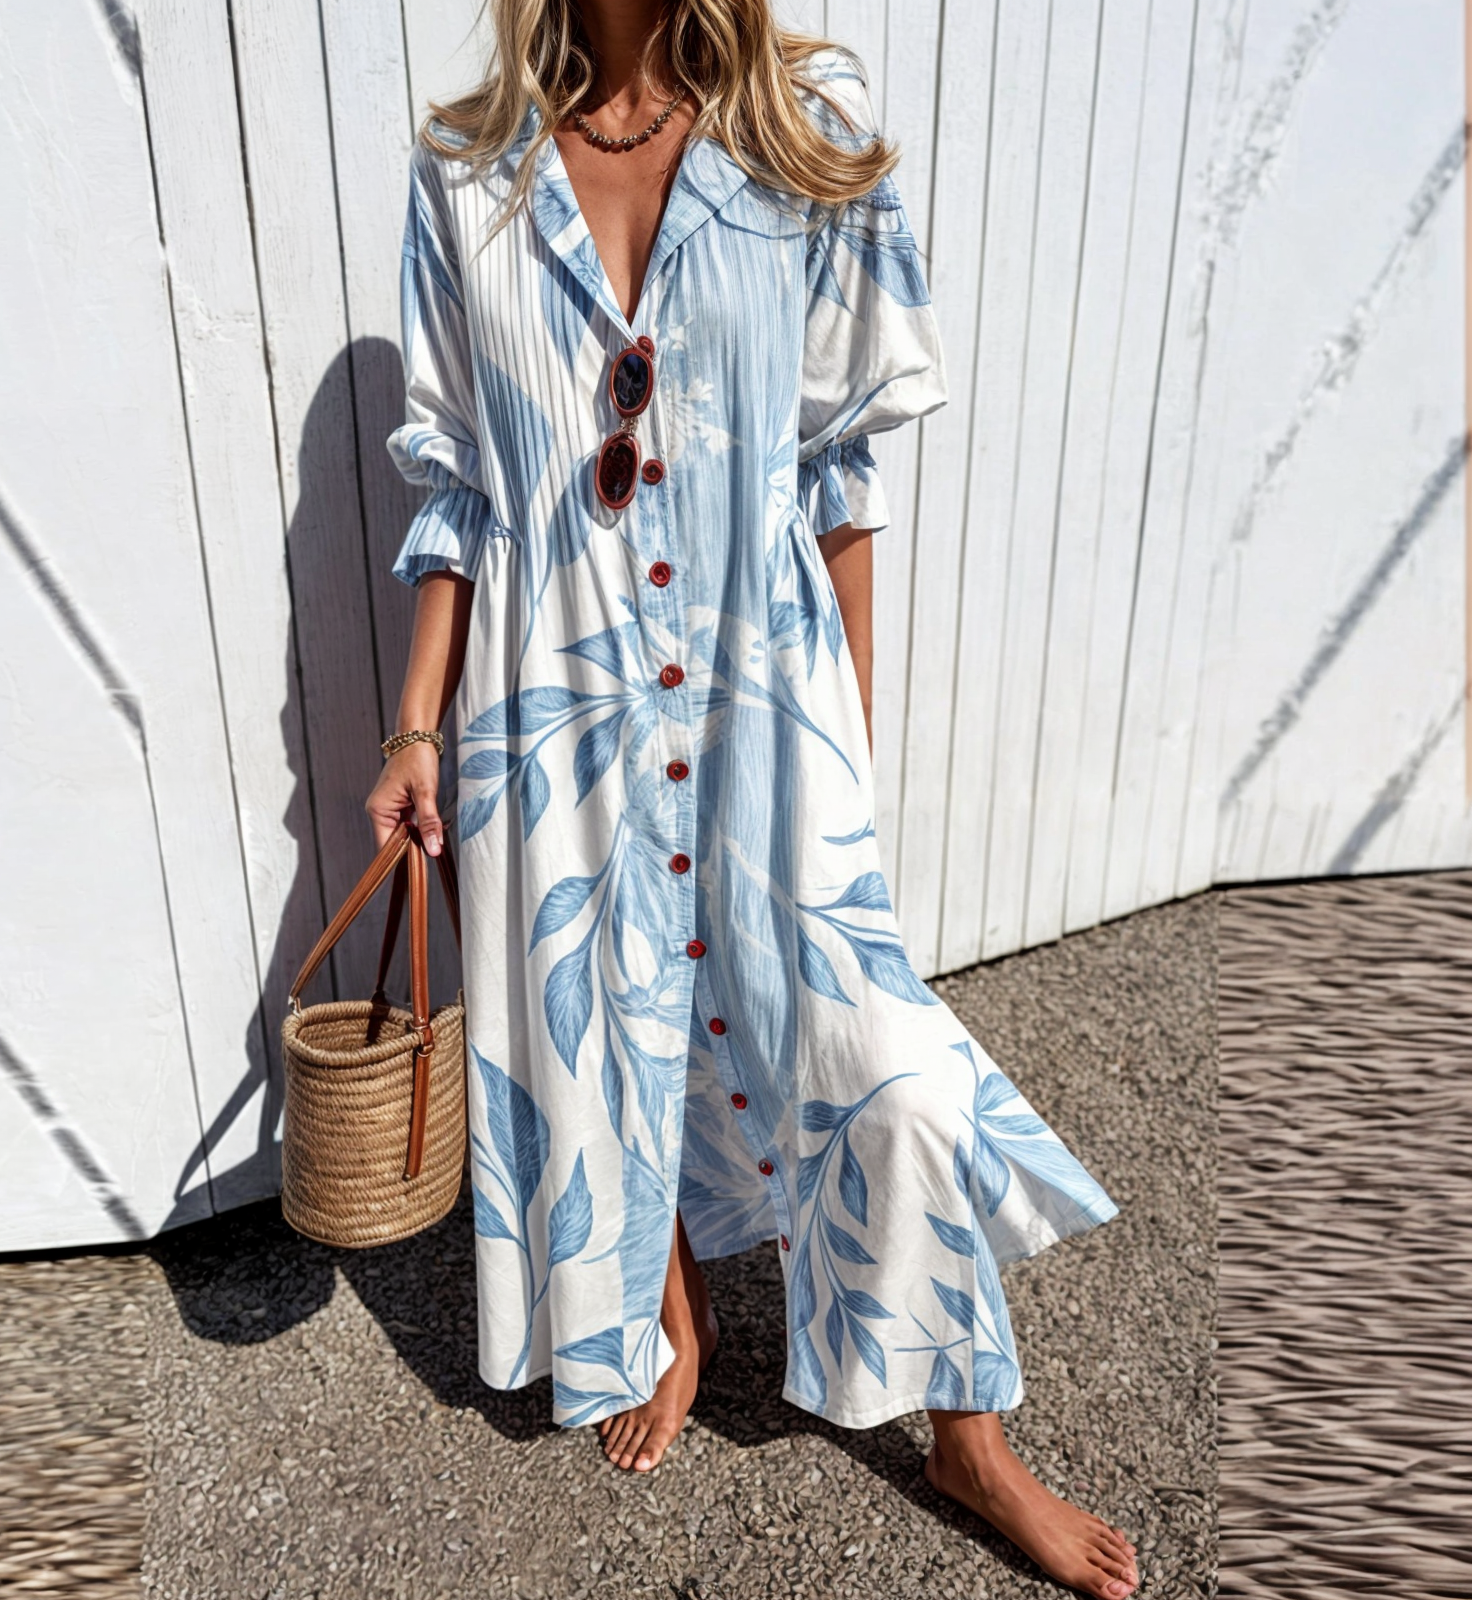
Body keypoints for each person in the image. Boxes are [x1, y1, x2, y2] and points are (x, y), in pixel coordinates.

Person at [365, 2, 1138, 1595]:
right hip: (550, 702)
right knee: (607, 1011)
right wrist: (415, 729)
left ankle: (970, 1433)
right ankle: (673, 1307)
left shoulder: (804, 130)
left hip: (761, 685)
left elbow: (842, 470)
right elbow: (454, 483)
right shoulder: (468, 171)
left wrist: (848, 728)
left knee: (884, 1057)